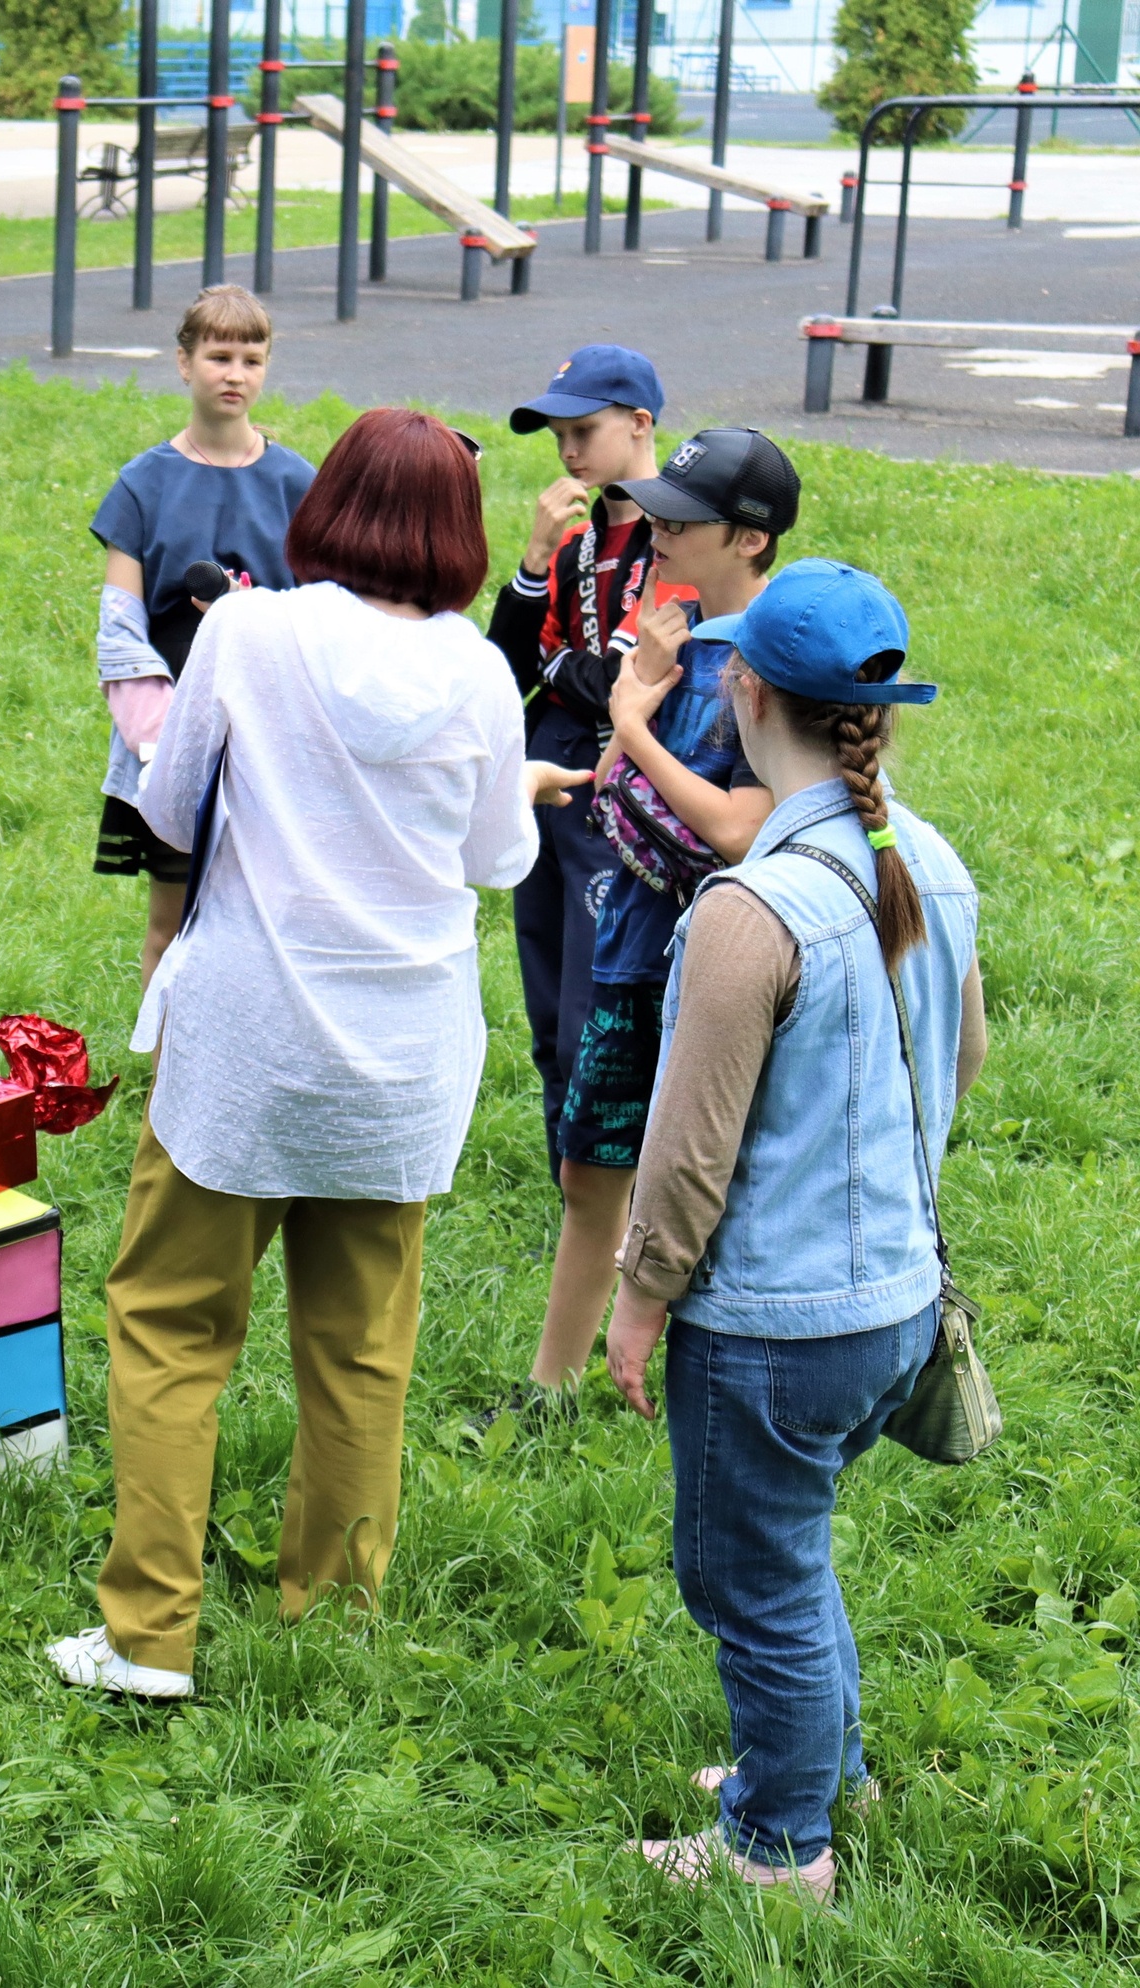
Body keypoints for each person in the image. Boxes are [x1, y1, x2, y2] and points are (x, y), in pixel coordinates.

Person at [48, 410, 591, 1700]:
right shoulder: (469, 668)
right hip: (399, 1059)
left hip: (243, 1043)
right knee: (358, 1352)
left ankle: (146, 1636)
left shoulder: (246, 629)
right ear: (457, 537)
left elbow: (167, 804)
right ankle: (332, 1621)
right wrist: (507, 791)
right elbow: (488, 861)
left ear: (325, 507)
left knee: (171, 1328)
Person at [605, 561, 982, 1903]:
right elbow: (965, 1053)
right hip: (893, 1306)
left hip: (772, 1328)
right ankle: (829, 1769)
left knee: (751, 1582)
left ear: (745, 686)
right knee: (792, 1546)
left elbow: (689, 1148)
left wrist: (638, 1299)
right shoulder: (925, 861)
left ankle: (778, 1850)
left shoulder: (748, 910)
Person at [496, 429, 798, 1423]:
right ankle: (548, 1393)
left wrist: (628, 720)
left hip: (705, 963)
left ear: (749, 539)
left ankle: (703, 1390)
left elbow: (734, 830)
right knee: (591, 1166)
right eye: (655, 512)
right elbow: (623, 805)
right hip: (631, 942)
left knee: (700, 1181)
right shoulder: (678, 635)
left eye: (681, 519)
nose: (656, 531)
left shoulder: (769, 661)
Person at [479, 345, 677, 1429]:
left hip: (620, 787)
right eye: (555, 430)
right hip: (549, 778)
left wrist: (582, 675)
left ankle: (629, 1204)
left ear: (638, 421)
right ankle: (579, 1196)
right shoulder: (575, 539)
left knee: (606, 1003)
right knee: (549, 1002)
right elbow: (504, 664)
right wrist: (529, 561)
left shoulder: (670, 530)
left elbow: (641, 671)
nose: (565, 446)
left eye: (582, 426)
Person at [89, 284, 316, 992]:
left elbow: (320, 618)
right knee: (172, 928)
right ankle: (164, 1095)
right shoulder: (142, 485)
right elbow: (121, 633)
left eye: (252, 358)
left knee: (265, 926)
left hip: (269, 738)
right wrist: (161, 747)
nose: (235, 374)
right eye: (219, 356)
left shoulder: (299, 485)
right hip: (172, 742)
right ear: (184, 363)